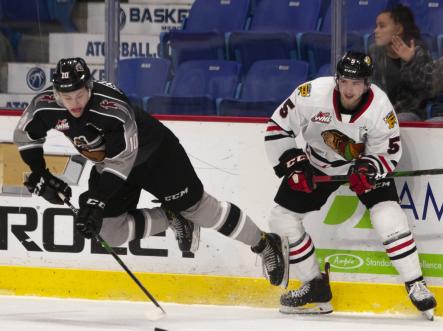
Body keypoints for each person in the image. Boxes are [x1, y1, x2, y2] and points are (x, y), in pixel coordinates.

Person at [13, 57, 289, 288]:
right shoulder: (47, 103)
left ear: (89, 86)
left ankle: (265, 243)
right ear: (55, 92)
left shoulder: (112, 107)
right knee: (106, 230)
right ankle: (170, 217)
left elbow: (121, 162)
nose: (73, 104)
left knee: (198, 209)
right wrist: (40, 172)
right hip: (111, 163)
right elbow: (25, 134)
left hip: (155, 155)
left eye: (80, 95)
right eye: (66, 97)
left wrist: (96, 201)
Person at [263, 51, 437, 318]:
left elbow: (387, 152)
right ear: (337, 79)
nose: (348, 88)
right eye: (344, 81)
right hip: (318, 163)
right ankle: (315, 286)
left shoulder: (380, 108)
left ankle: (415, 283)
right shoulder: (310, 94)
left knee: (386, 213)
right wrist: (293, 163)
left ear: (367, 84)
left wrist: (370, 167)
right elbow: (277, 127)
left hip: (361, 167)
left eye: (356, 83)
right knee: (281, 218)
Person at [369, 4, 433, 120]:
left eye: (382, 26)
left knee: (393, 121)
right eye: (376, 26)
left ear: (398, 29)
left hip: (409, 113)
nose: (376, 30)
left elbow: (427, 89)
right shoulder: (374, 52)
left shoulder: (418, 51)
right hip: (382, 112)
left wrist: (410, 62)